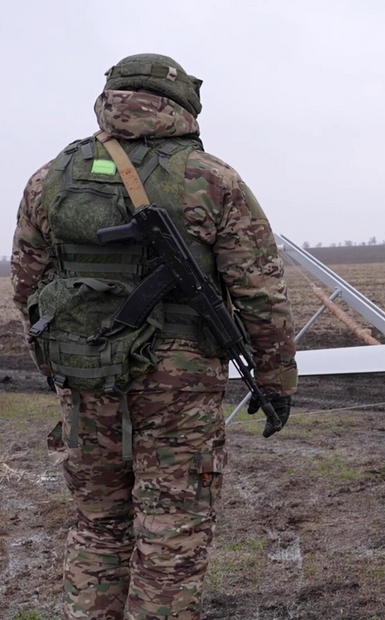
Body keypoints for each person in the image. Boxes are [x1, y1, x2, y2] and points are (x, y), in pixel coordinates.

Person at [11, 53, 298, 620]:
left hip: (85, 374)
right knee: (172, 529)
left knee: (97, 524)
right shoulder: (211, 178)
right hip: (178, 384)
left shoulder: (50, 177)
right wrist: (275, 378)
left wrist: (61, 365)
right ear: (180, 105)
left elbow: (27, 286)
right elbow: (261, 293)